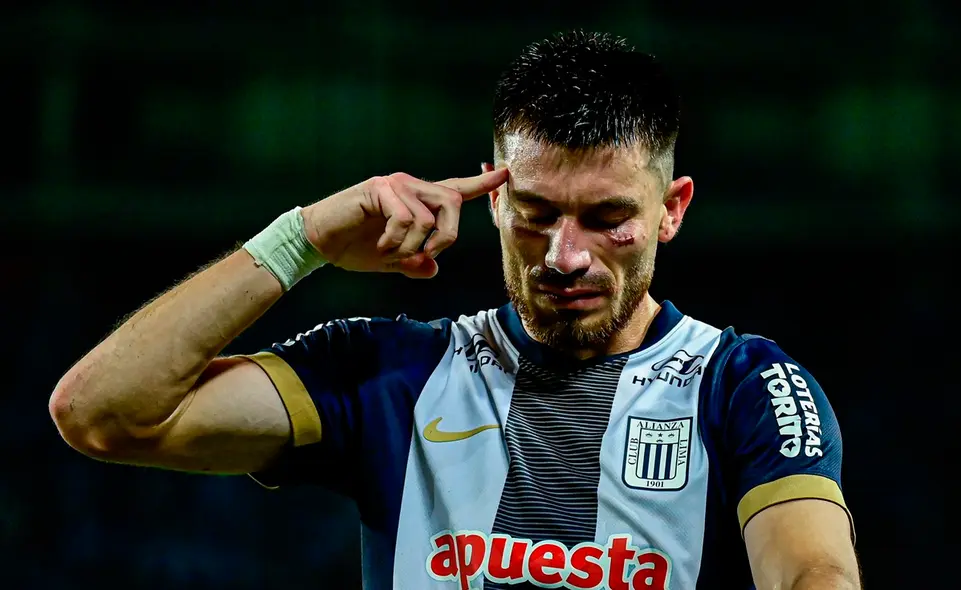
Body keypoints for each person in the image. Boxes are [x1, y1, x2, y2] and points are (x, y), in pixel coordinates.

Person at [50, 30, 860, 590]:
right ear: (493, 195)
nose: (565, 255)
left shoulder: (745, 385)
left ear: (672, 208)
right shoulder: (392, 372)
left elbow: (812, 570)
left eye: (608, 218)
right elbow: (102, 413)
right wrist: (304, 239)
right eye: (538, 211)